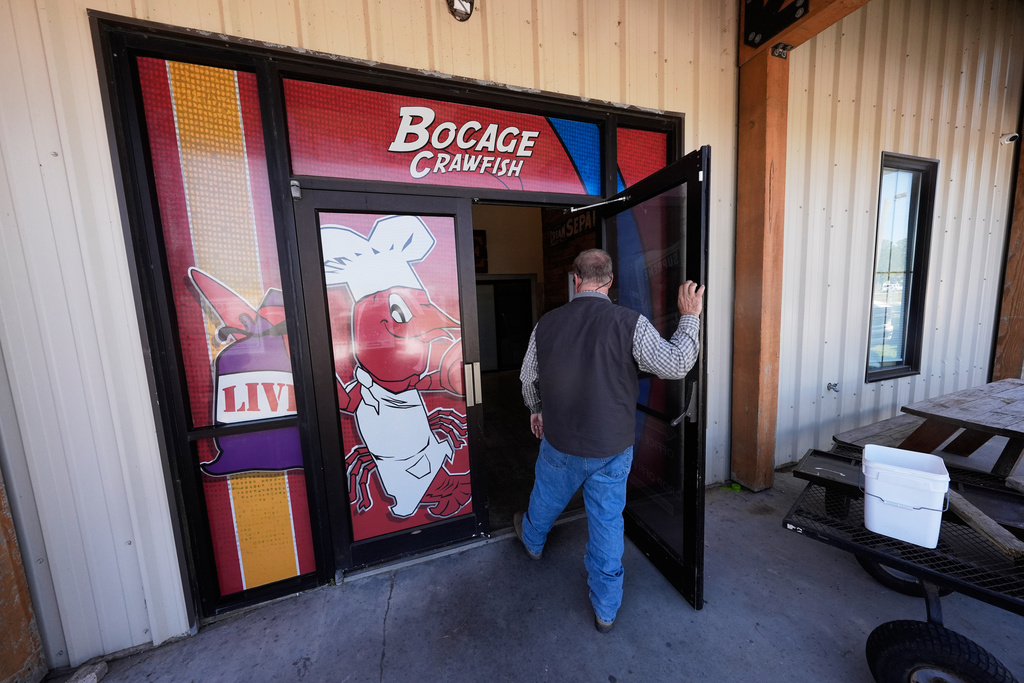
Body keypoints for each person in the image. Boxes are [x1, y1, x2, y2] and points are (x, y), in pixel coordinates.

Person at [515, 248, 704, 634]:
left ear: (575, 279)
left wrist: (536, 409)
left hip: (560, 441)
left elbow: (526, 376)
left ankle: (532, 542)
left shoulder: (546, 324)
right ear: (611, 281)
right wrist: (689, 318)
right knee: (606, 522)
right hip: (611, 447)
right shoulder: (629, 323)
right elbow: (677, 364)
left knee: (547, 496)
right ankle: (606, 609)